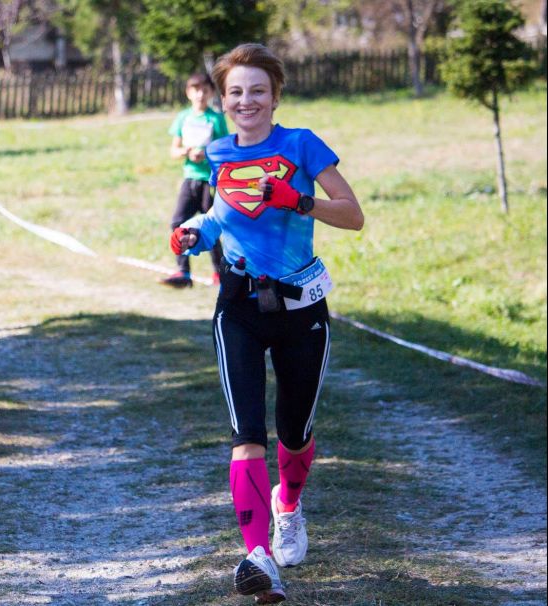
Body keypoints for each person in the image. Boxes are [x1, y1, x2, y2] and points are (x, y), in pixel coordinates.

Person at [171, 44, 364, 603]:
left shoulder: (301, 144)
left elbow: (353, 216)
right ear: (223, 100)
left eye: (257, 90)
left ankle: (288, 505)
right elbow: (219, 218)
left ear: (276, 96)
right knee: (246, 434)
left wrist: (300, 201)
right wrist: (192, 234)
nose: (246, 100)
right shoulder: (218, 150)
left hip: (301, 305)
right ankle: (258, 559)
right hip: (238, 304)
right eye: (235, 92)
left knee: (295, 432)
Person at [163, 73, 230, 289]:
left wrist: (207, 155)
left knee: (209, 226)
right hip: (189, 179)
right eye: (196, 89)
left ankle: (220, 273)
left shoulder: (216, 118)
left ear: (211, 92)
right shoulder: (183, 118)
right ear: (188, 92)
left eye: (205, 90)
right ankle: (183, 271)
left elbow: (225, 149)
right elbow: (173, 150)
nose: (200, 94)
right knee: (177, 222)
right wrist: (186, 152)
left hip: (208, 181)